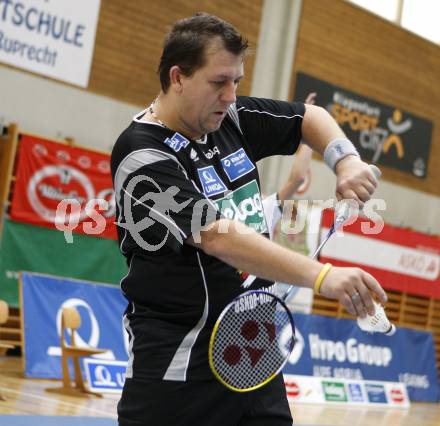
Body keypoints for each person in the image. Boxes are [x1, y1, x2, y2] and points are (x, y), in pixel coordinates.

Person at [111, 13, 386, 426]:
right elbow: (218, 236)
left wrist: (345, 161)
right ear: (178, 77)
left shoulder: (231, 119)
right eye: (219, 82)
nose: (230, 94)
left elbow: (309, 119)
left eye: (237, 81)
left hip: (251, 352)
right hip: (177, 369)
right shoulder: (142, 157)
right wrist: (322, 276)